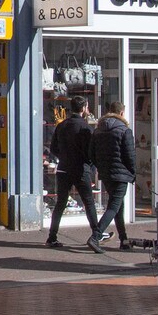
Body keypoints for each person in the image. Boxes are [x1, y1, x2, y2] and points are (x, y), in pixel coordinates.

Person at [45, 94, 100, 245]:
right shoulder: (85, 128)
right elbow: (90, 151)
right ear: (83, 108)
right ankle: (96, 234)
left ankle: (52, 236)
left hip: (63, 169)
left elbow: (54, 148)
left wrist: (64, 156)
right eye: (87, 107)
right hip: (80, 169)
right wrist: (89, 164)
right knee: (88, 201)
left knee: (60, 203)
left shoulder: (61, 125)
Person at [88, 99, 137, 253]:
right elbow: (130, 155)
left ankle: (124, 239)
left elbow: (91, 153)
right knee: (114, 206)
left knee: (118, 207)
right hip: (121, 174)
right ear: (122, 113)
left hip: (107, 173)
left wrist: (101, 167)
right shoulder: (124, 130)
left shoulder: (99, 130)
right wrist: (133, 172)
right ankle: (95, 236)